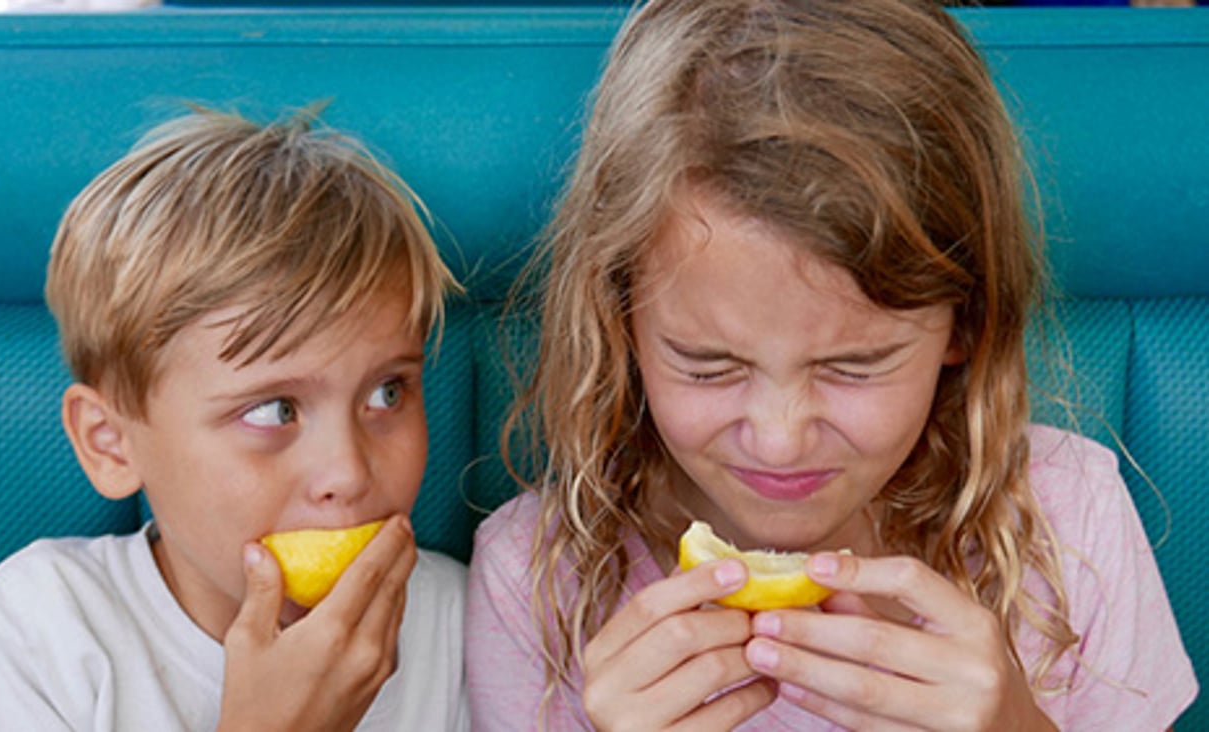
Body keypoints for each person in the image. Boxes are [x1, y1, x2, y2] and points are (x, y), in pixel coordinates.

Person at [465, 1, 1197, 730]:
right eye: (707, 365)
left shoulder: (1070, 518)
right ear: (619, 321)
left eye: (855, 365)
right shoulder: (535, 581)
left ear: (966, 321)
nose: (780, 440)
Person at [0, 108, 468, 731]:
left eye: (387, 393)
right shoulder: (38, 639)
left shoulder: (465, 629)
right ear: (111, 443)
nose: (347, 470)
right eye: (273, 410)